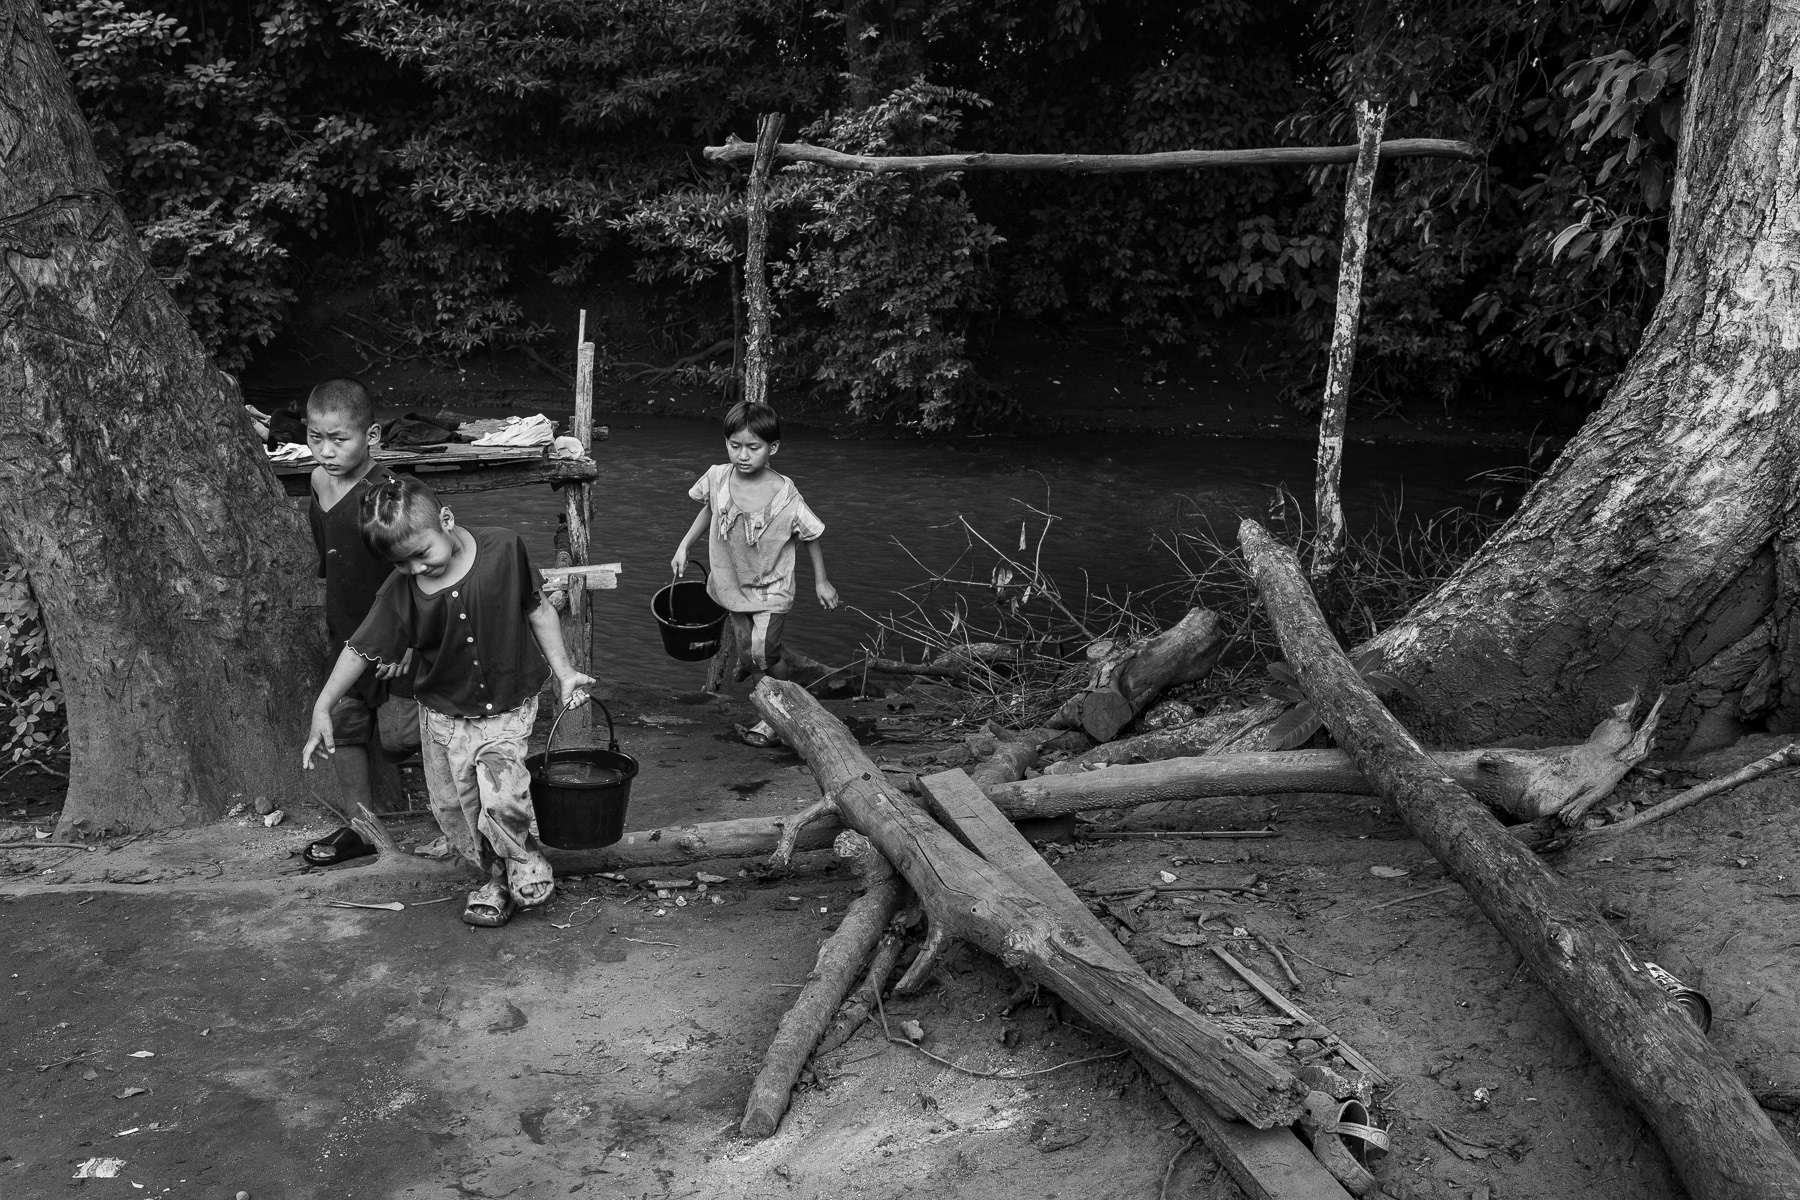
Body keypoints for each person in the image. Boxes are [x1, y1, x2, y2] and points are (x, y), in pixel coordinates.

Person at [301, 475, 595, 927]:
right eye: (401, 564)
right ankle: (494, 877)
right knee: (454, 809)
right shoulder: (400, 593)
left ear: (446, 519)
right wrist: (323, 706)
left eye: (421, 555)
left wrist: (565, 672)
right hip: (443, 719)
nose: (416, 570)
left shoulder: (504, 549)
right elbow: (359, 648)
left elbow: (537, 609)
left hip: (506, 707)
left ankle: (521, 858)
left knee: (501, 795)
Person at [669, 400, 838, 747]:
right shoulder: (718, 477)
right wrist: (684, 546)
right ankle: (753, 664)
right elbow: (708, 511)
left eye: (753, 447)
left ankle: (775, 715)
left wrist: (822, 580)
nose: (742, 455)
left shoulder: (785, 493)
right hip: (732, 581)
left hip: (772, 585)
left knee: (764, 654)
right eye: (735, 446)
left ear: (772, 447)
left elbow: (810, 534)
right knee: (751, 649)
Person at [302, 378, 420, 867]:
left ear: (370, 435)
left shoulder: (392, 496)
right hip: (347, 631)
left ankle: (458, 808)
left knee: (398, 739)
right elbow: (328, 558)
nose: (326, 451)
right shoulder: (316, 481)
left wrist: (412, 645)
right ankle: (361, 828)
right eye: (315, 437)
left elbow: (425, 572)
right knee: (346, 726)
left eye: (339, 439)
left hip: (398, 640)